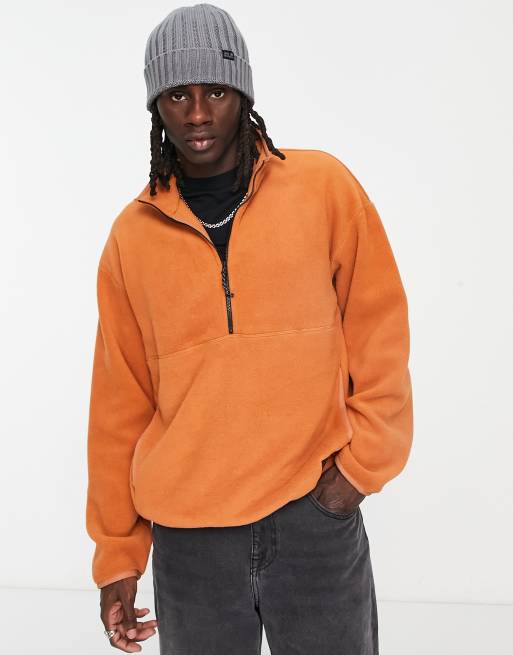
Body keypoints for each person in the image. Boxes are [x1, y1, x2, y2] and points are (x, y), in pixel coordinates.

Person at [86, 3, 414, 653]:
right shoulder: (131, 238)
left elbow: (379, 332)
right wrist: (118, 554)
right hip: (190, 544)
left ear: (243, 94)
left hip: (314, 523)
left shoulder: (322, 188)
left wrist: (356, 473)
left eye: (215, 91)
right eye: (177, 95)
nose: (197, 113)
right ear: (156, 105)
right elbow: (119, 404)